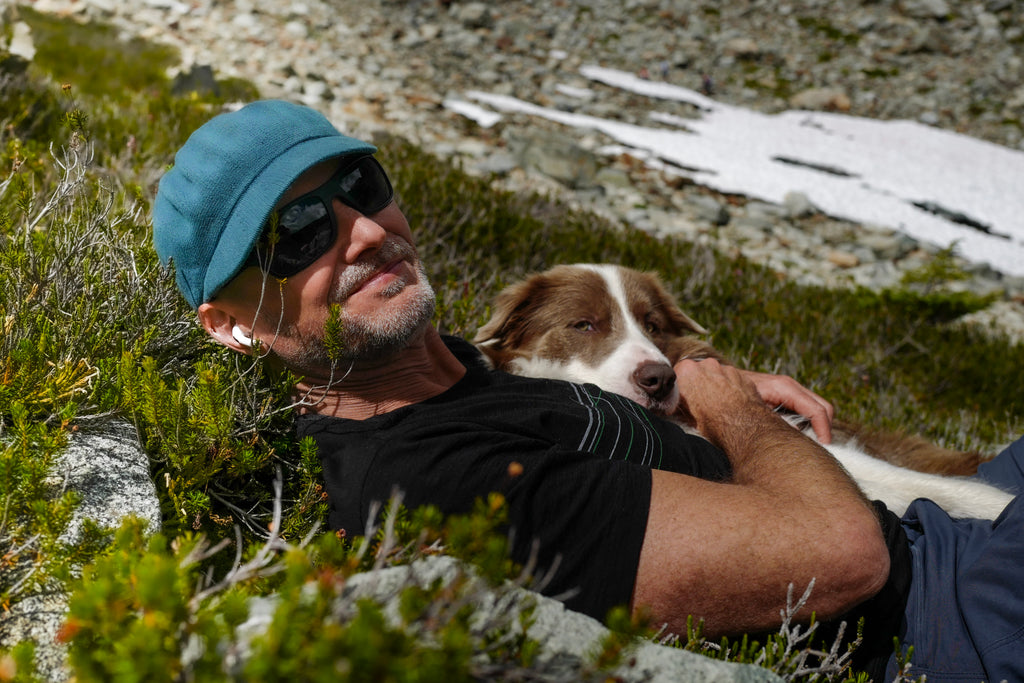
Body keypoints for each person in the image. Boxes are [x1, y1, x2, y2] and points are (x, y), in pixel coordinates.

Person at [153, 100, 1023, 682]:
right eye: (297, 233)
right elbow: (842, 555)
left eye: (361, 188)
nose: (370, 232)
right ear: (230, 324)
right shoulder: (426, 476)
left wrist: (686, 385)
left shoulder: (456, 381)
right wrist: (731, 410)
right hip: (940, 613)